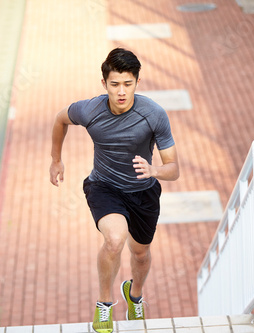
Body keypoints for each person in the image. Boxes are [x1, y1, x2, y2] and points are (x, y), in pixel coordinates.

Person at [49, 48, 179, 333]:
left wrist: (154, 170)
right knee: (114, 240)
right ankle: (104, 305)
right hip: (103, 186)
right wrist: (56, 159)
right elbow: (60, 119)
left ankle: (134, 295)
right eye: (115, 84)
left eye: (128, 84)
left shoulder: (154, 114)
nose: (121, 91)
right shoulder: (90, 110)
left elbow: (174, 169)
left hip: (144, 192)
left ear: (137, 82)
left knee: (141, 255)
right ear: (104, 84)